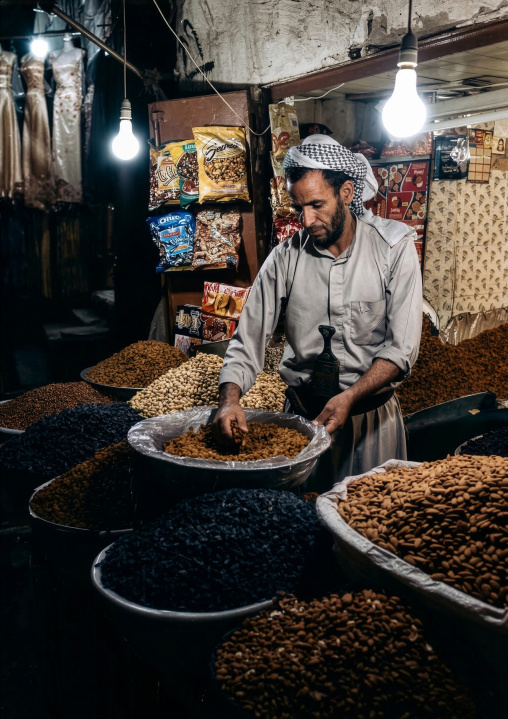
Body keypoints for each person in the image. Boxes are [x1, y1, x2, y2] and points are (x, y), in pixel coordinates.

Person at [214, 134, 422, 489]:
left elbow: (401, 349)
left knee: (366, 523)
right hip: (302, 422)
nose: (306, 221)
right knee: (301, 526)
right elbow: (248, 340)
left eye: (316, 205)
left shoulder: (393, 247)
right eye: (298, 209)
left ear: (346, 193)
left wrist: (350, 397)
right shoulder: (285, 256)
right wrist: (229, 400)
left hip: (370, 423)